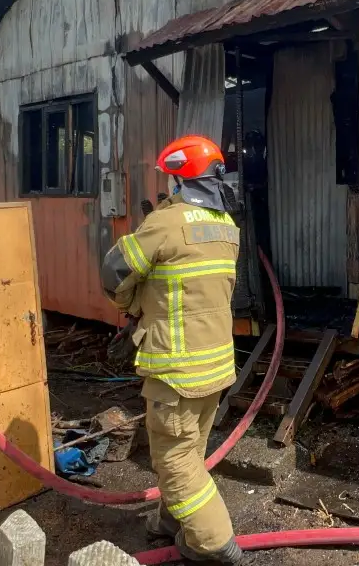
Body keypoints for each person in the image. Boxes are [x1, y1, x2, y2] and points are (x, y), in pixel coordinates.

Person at [99, 136, 242, 564]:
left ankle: (214, 543)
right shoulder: (226, 227)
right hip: (215, 365)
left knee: (176, 460)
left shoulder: (166, 223)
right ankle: (169, 521)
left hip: (177, 369)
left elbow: (113, 272)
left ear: (179, 178)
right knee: (190, 449)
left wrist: (130, 303)